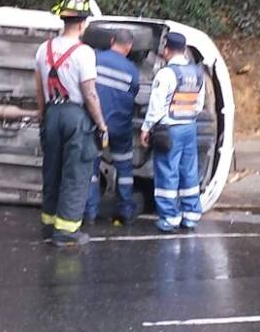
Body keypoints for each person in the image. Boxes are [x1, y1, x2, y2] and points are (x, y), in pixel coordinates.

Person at [35, 0, 108, 247]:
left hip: (52, 114)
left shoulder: (43, 49)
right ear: (82, 23)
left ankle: (49, 223)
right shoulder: (84, 53)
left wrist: (43, 117)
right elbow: (89, 93)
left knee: (52, 170)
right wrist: (101, 125)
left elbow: (39, 89)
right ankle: (66, 230)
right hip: (75, 116)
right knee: (75, 171)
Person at [139, 32, 205, 232]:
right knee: (189, 171)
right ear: (184, 50)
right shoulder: (197, 72)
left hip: (170, 130)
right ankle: (191, 215)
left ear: (166, 50)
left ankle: (170, 217)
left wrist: (146, 127)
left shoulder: (166, 74)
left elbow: (157, 105)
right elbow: (199, 104)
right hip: (189, 127)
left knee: (168, 171)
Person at [84, 28, 140, 226]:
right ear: (129, 47)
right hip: (120, 128)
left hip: (96, 124)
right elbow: (132, 96)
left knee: (91, 169)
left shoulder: (95, 58)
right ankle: (125, 210)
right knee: (124, 169)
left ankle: (90, 212)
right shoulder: (133, 71)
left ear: (112, 40)